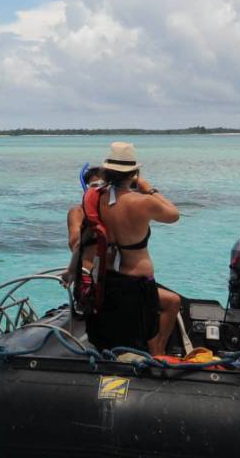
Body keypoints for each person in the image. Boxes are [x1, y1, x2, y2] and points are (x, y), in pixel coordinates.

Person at [71, 142, 184, 356]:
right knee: (149, 335)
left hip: (109, 280)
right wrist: (148, 187)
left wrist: (71, 270)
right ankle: (158, 354)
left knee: (115, 342)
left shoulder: (96, 200)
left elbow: (83, 241)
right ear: (134, 173)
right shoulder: (143, 202)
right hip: (138, 284)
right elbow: (174, 214)